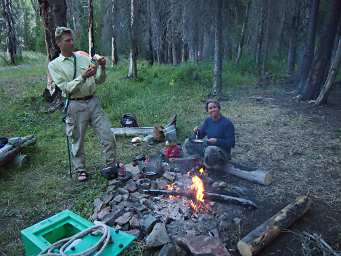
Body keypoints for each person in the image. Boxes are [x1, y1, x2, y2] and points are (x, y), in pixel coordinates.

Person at [48, 27, 117, 181]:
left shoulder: (83, 58)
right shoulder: (54, 65)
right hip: (74, 104)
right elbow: (65, 88)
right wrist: (83, 77)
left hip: (93, 102)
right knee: (77, 140)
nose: (71, 43)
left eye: (72, 39)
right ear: (59, 43)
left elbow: (98, 80)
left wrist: (102, 67)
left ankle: (111, 164)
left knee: (107, 134)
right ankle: (81, 170)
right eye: (67, 40)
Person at [183, 99, 235, 170]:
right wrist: (196, 132)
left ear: (219, 108)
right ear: (208, 111)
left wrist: (217, 141)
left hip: (222, 153)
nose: (213, 109)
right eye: (210, 108)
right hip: (208, 148)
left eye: (214, 107)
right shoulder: (208, 121)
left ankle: (208, 166)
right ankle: (200, 161)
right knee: (188, 142)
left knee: (210, 150)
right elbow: (200, 136)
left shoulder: (227, 123)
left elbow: (231, 143)